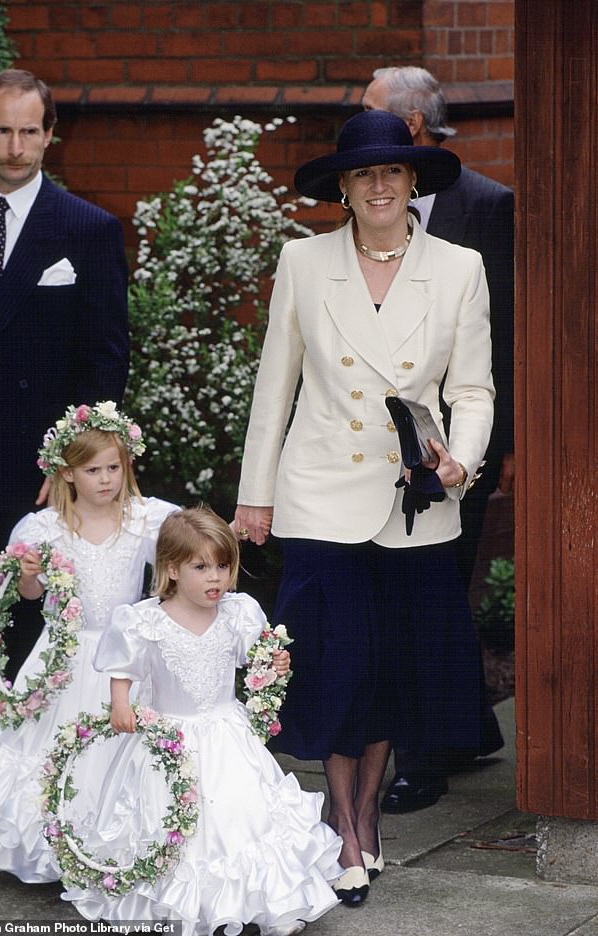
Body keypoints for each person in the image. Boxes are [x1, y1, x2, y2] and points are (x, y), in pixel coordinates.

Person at [234, 109, 494, 905]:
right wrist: (255, 496)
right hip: (319, 495)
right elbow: (274, 385)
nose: (378, 186)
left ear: (412, 181)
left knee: (388, 676)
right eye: (362, 175)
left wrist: (462, 460)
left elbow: (474, 389)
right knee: (336, 669)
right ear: (342, 190)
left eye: (391, 172)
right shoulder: (304, 263)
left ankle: (367, 820)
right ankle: (346, 831)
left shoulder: (459, 267)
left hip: (412, 497)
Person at [62, 506, 342, 936]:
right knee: (172, 823)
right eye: (201, 567)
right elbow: (124, 668)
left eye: (224, 566)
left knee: (240, 816)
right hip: (167, 739)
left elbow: (259, 659)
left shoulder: (238, 613)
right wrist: (121, 703)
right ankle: (183, 906)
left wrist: (276, 663)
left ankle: (256, 901)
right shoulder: (144, 621)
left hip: (226, 734)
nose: (216, 578)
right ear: (172, 569)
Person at [0, 69, 129, 776]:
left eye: (30, 130)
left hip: (24, 471)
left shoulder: (86, 230)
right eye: (2, 129)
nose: (16, 145)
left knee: (19, 628)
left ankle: (10, 777)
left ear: (50, 135)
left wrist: (69, 466)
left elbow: (105, 364)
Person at [363, 65, 512, 811]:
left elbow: (508, 336)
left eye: (370, 113)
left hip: (457, 448)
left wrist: (498, 447)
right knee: (424, 594)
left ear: (412, 128)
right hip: (368, 450)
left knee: (428, 591)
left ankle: (421, 760)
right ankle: (468, 730)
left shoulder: (488, 208)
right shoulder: (364, 203)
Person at [0, 402, 180, 882]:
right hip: (63, 656)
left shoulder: (144, 518)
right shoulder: (43, 529)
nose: (105, 479)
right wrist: (28, 577)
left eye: (114, 468)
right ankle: (52, 851)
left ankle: (112, 843)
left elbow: (185, 554)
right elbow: (28, 595)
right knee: (52, 750)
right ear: (65, 474)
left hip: (123, 658)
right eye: (92, 470)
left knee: (123, 751)